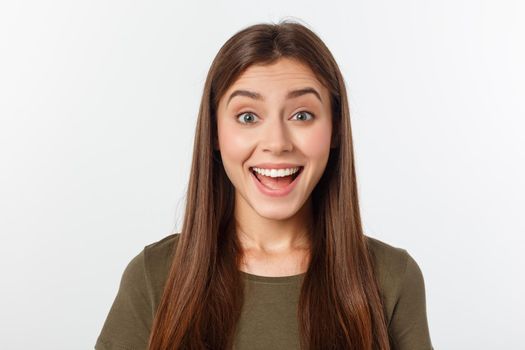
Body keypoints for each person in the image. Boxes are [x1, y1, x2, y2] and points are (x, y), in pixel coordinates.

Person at [95, 20, 433, 350]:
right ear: (214, 132)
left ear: (335, 129)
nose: (276, 142)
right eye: (248, 117)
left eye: (302, 115)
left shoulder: (391, 279)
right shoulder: (154, 277)